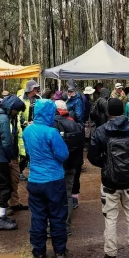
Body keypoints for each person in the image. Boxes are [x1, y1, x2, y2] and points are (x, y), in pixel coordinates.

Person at [88, 98, 129, 258]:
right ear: (123, 111)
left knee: (110, 218)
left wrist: (106, 164)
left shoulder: (100, 131)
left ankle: (111, 255)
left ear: (108, 113)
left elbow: (92, 156)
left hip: (109, 182)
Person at [22, 99, 69, 258]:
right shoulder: (51, 133)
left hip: (34, 180)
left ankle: (38, 252)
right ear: (49, 113)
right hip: (54, 180)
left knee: (38, 216)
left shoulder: (27, 131)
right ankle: (60, 251)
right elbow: (63, 155)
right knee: (57, 215)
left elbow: (28, 151)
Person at [0, 95, 25, 231]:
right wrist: (10, 157)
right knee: (4, 187)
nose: (17, 114)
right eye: (17, 111)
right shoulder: (3, 119)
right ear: (12, 108)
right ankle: (1, 219)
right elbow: (7, 142)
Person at [53, 100, 84, 236]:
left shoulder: (51, 125)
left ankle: (53, 226)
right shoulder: (76, 124)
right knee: (68, 194)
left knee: (54, 195)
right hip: (72, 164)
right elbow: (81, 146)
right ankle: (66, 225)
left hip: (57, 166)